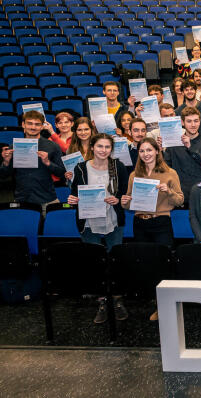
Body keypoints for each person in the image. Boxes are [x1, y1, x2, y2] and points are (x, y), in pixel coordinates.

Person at [67, 133, 130, 323]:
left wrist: (118, 199)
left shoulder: (118, 166)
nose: (103, 150)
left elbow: (125, 194)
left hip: (112, 220)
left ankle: (117, 301)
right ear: (92, 147)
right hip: (89, 222)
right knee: (95, 263)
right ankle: (102, 302)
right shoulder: (80, 168)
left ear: (112, 149)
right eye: (100, 146)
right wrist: (71, 201)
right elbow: (73, 198)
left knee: (114, 260)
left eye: (107, 147)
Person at [121, 137, 184, 247]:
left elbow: (179, 201)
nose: (146, 154)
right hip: (139, 223)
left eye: (149, 150)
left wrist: (169, 191)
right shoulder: (134, 175)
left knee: (162, 260)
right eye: (142, 151)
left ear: (157, 151)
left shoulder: (170, 173)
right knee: (143, 260)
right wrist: (125, 202)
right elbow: (129, 205)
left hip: (161, 223)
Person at [0, 111, 65, 212]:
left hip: (47, 199)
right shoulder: (14, 147)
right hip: (22, 199)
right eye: (29, 123)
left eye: (37, 124)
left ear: (42, 126)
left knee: (51, 228)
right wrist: (6, 162)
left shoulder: (52, 146)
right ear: (23, 125)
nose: (33, 127)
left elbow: (62, 173)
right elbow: (3, 175)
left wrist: (48, 163)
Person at [164, 107, 201, 203]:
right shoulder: (174, 142)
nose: (193, 125)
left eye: (196, 121)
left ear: (200, 121)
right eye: (189, 121)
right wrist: (158, 150)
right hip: (179, 194)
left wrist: (190, 147)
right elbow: (165, 167)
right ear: (182, 123)